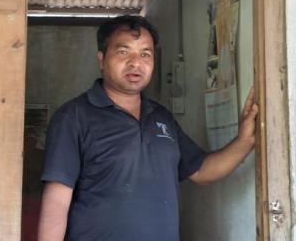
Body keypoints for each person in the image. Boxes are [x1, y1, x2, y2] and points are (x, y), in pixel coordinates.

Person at [37, 15, 258, 241]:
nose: (135, 62)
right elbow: (56, 202)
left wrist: (245, 141)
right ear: (101, 59)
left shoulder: (161, 117)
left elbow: (201, 172)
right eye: (123, 52)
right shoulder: (74, 117)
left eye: (145, 54)